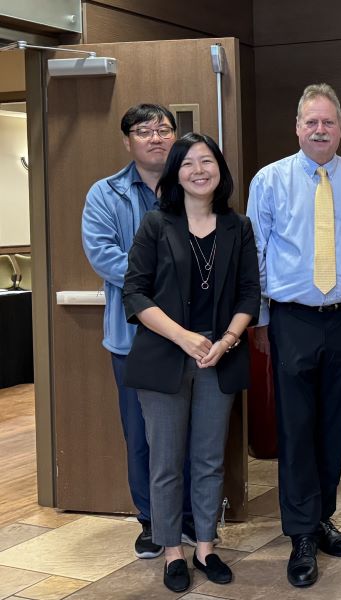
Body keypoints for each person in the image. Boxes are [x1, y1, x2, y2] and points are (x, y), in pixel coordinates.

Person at [246, 83, 341, 588]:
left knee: (334, 425)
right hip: (292, 318)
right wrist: (262, 321)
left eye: (327, 122)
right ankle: (300, 536)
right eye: (310, 122)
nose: (319, 130)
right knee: (296, 427)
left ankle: (321, 517)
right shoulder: (269, 182)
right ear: (297, 128)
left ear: (340, 128)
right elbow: (257, 257)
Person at [123, 133, 260, 592]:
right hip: (165, 353)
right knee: (165, 460)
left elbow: (248, 293)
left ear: (220, 170)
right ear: (175, 173)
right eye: (188, 163)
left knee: (208, 458)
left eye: (208, 161)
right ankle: (171, 550)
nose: (199, 170)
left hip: (218, 357)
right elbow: (136, 293)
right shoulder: (156, 225)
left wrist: (227, 339)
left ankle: (205, 545)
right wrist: (184, 338)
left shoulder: (237, 227)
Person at [82, 104, 198, 558]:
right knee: (142, 434)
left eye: (164, 129)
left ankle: (189, 517)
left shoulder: (193, 184)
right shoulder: (105, 194)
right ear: (127, 140)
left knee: (192, 431)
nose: (155, 137)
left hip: (193, 335)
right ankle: (152, 521)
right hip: (133, 338)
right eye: (144, 131)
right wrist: (164, 285)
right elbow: (103, 256)